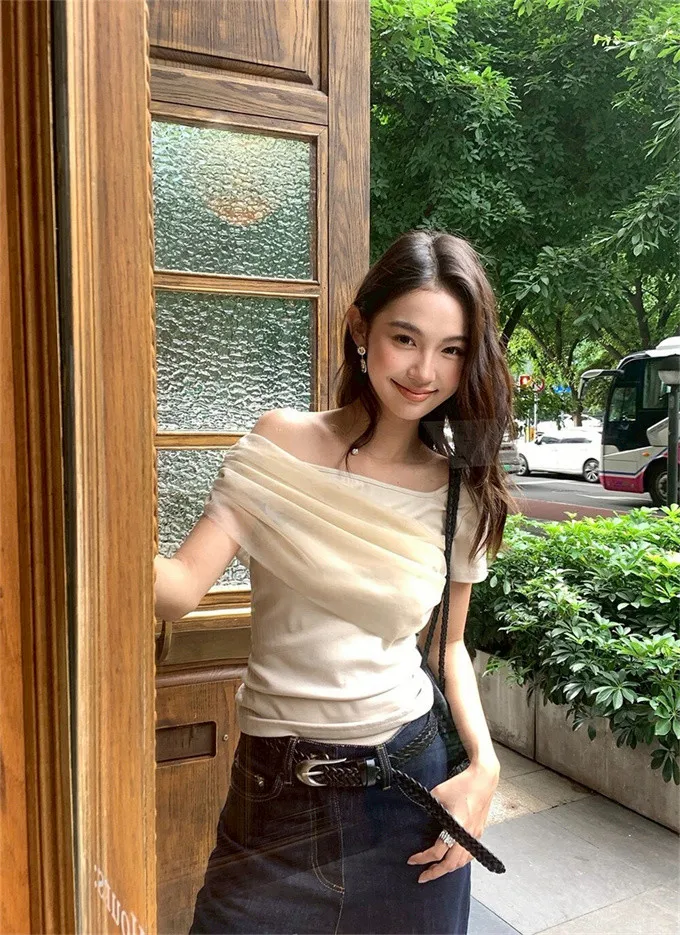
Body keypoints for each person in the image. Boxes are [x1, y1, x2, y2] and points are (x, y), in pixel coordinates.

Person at [154, 229, 515, 935]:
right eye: (405, 338)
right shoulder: (281, 445)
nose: (424, 370)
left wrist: (485, 763)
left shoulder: (458, 493)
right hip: (274, 795)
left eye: (451, 350)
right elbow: (178, 589)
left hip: (408, 790)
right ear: (360, 329)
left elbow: (447, 646)